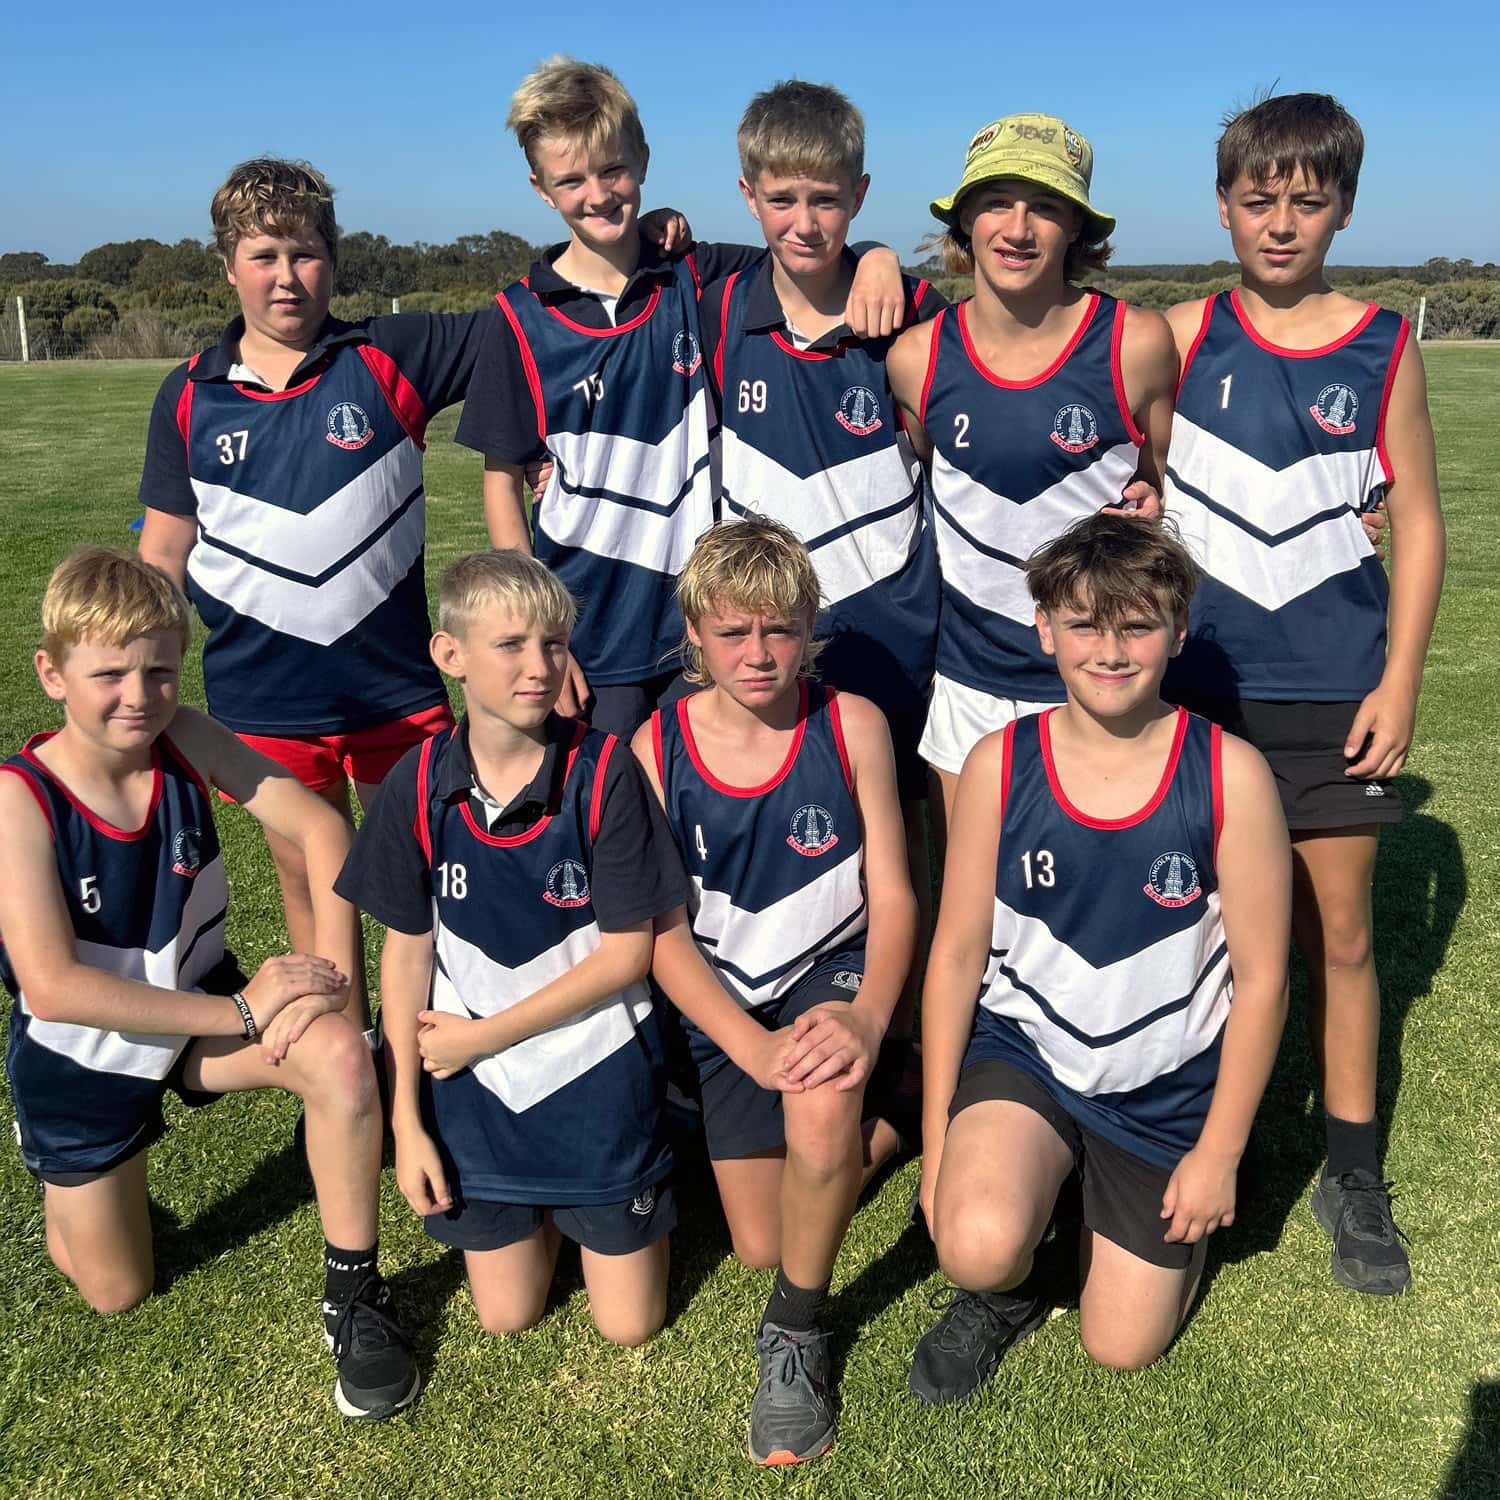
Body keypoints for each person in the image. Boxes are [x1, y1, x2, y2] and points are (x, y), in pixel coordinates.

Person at [0, 547, 418, 1420]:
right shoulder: (19, 799)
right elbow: (53, 989)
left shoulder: (185, 737)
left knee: (339, 1055)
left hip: (197, 1021)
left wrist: (332, 992)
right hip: (86, 1056)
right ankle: (68, 1191)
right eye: (109, 674)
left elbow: (323, 833)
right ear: (51, 673)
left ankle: (353, 1297)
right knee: (117, 1289)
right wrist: (242, 1009)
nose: (139, 696)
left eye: (159, 671)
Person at [1162, 93, 1446, 1295]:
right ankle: (1172, 1141)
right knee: (1188, 931)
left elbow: (1418, 523)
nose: (1281, 223)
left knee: (1341, 934)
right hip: (1195, 692)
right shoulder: (1175, 335)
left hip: (1332, 690)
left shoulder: (1383, 344)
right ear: (1224, 206)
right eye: (1258, 200)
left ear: (1344, 209)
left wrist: (1401, 679)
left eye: (1308, 201)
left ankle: (1352, 1171)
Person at [908, 513, 1291, 1402]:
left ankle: (1135, 1196)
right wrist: (936, 1140)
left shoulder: (1229, 773)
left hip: (1162, 1086)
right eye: (1083, 624)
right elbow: (957, 954)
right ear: (1044, 629)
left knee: (1122, 1345)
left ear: (1179, 629)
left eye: (1137, 626)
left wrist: (1219, 1153)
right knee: (974, 1245)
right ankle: (1015, 1274)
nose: (1110, 651)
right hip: (1030, 1056)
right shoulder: (1000, 763)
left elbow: (1266, 980)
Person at [454, 57, 905, 740]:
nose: (598, 195)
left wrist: (876, 256)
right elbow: (500, 482)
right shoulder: (517, 318)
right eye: (571, 180)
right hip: (589, 633)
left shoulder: (692, 275)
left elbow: (803, 251)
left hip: (705, 629)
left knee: (702, 789)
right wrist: (539, 632)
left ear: (642, 159)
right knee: (601, 795)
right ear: (541, 188)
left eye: (613, 170)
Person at [136, 157, 481, 1020]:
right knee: (307, 879)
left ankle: (426, 1053)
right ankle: (348, 1052)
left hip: (395, 689)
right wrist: (137, 667)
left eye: (305, 253)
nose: (286, 277)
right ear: (228, 266)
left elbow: (531, 331)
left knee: (426, 875)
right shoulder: (189, 394)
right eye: (263, 256)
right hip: (264, 700)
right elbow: (164, 549)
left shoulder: (391, 356)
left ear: (334, 257)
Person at [336, 550, 689, 1349]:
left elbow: (628, 955)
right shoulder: (417, 782)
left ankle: (626, 1171)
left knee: (629, 1326)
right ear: (450, 654)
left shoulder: (605, 770)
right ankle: (542, 1205)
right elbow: (406, 952)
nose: (539, 666)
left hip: (595, 1074)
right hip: (479, 1094)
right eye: (511, 645)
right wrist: (407, 1124)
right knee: (507, 1315)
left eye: (554, 644)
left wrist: (480, 1037)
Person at [634, 519, 917, 1464]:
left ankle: (794, 1331)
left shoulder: (853, 724)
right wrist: (747, 1046)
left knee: (822, 1092)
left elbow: (894, 893)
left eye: (780, 630)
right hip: (727, 997)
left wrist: (868, 1015)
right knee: (760, 1238)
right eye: (733, 632)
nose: (758, 653)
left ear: (809, 629)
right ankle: (898, 1115)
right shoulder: (656, 745)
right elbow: (662, 934)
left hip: (831, 971)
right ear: (694, 635)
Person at [701, 79, 944, 1039]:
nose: (806, 222)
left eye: (829, 200)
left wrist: (884, 258)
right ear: (748, 195)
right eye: (782, 199)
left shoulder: (913, 310)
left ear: (861, 193)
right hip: (765, 632)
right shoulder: (716, 307)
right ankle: (767, 1014)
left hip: (892, 623)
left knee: (905, 831)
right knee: (781, 824)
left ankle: (912, 1028)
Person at [883, 113, 1172, 843]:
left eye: (1044, 206)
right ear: (964, 220)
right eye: (995, 203)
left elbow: (1171, 483)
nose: (1017, 228)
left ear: (1077, 226)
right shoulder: (915, 358)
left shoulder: (1135, 342)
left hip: (1102, 676)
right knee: (969, 892)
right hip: (968, 684)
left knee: (1095, 883)